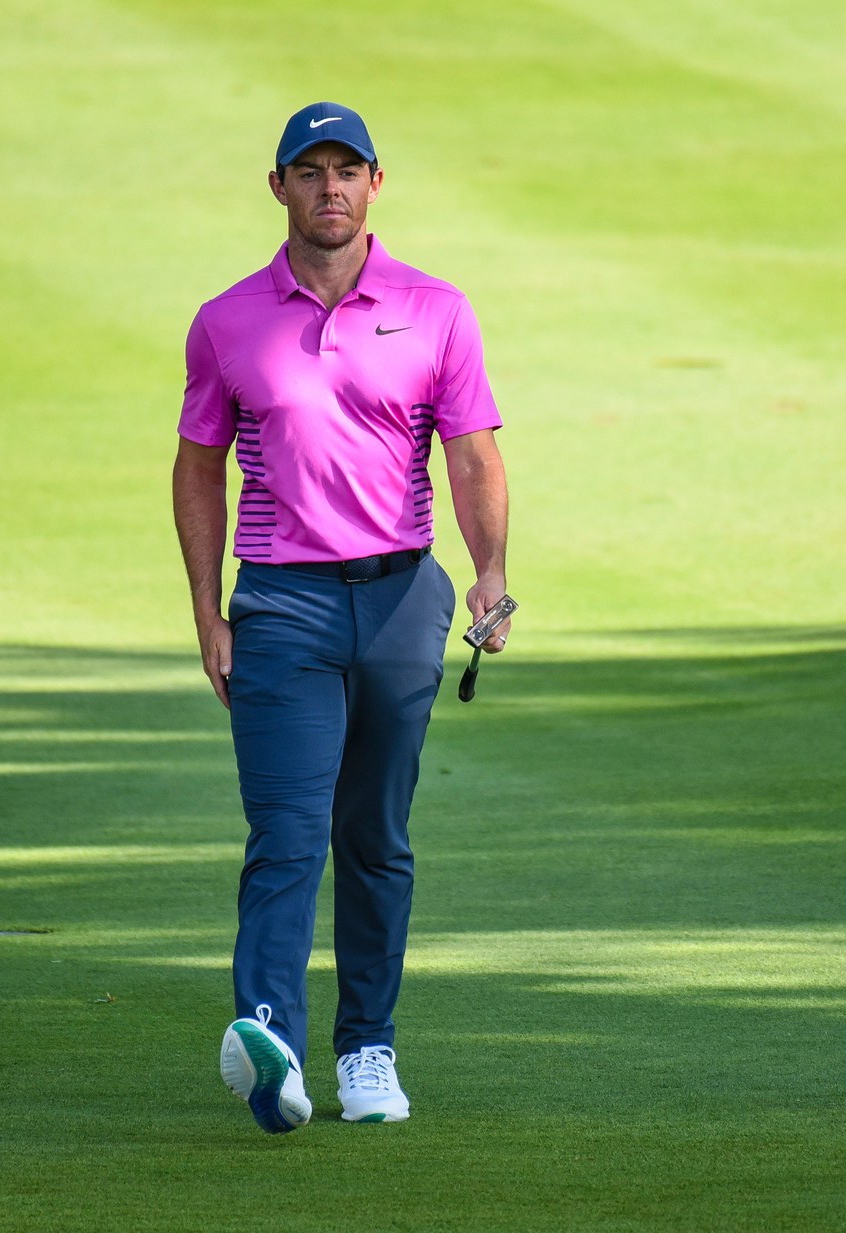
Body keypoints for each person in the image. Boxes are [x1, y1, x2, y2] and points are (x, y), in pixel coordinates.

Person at [171, 101, 510, 1134]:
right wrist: (207, 612)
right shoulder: (227, 319)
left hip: (403, 600)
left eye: (346, 170)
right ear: (278, 186)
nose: (330, 188)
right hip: (282, 603)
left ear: (374, 183)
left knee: (374, 836)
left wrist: (490, 572)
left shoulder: (436, 309)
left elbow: (470, 453)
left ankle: (368, 1047)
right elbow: (198, 467)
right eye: (309, 171)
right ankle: (269, 1040)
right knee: (286, 834)